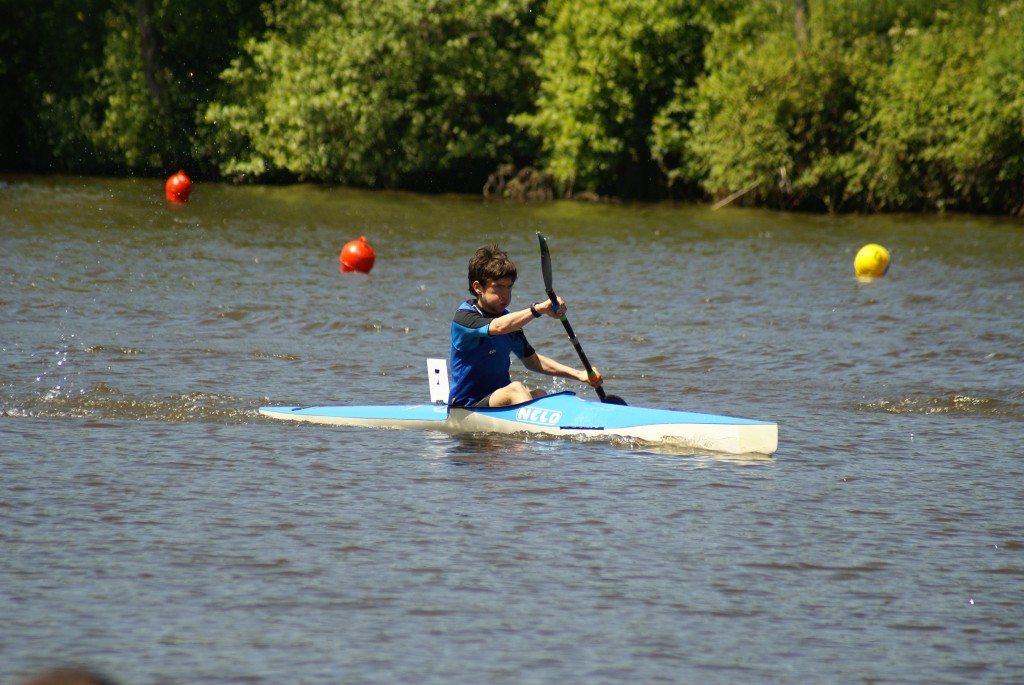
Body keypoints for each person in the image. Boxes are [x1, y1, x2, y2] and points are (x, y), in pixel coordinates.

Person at [449, 244, 603, 407]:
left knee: (540, 394)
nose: (506, 295)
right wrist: (538, 309)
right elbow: (499, 327)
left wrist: (579, 374)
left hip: (499, 400)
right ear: (478, 287)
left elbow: (533, 362)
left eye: (509, 287)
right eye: (499, 287)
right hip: (467, 404)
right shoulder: (465, 318)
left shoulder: (508, 319)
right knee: (516, 388)